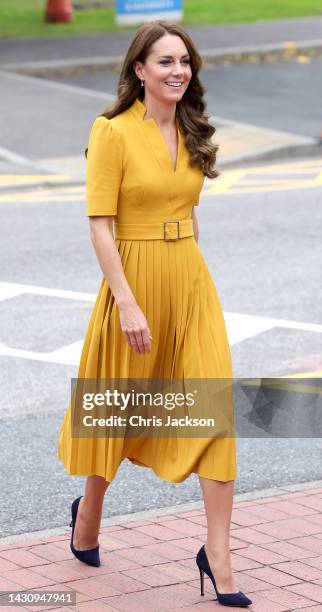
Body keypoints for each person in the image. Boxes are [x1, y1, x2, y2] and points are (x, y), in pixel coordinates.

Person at [57, 20, 252, 608]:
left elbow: (189, 212)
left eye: (184, 61)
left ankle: (217, 553)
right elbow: (100, 223)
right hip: (132, 284)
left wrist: (192, 275)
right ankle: (87, 515)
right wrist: (129, 304)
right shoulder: (112, 132)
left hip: (190, 282)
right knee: (118, 407)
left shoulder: (191, 129)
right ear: (138, 70)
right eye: (164, 61)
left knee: (212, 406)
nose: (177, 71)